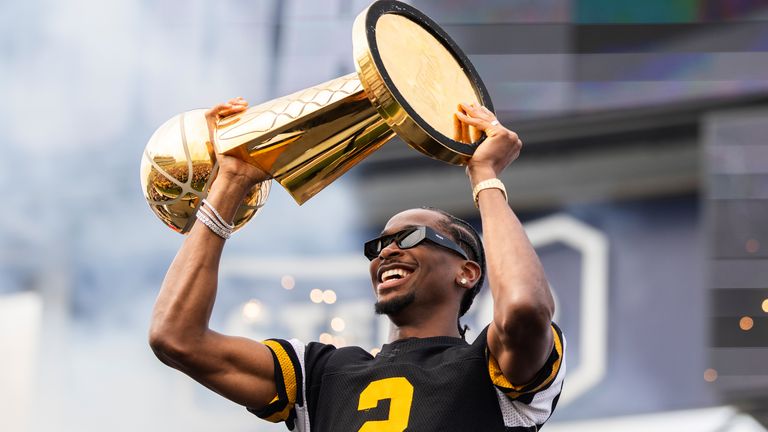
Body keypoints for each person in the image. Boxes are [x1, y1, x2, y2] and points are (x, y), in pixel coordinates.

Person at [149, 97, 566, 431]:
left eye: (410, 237)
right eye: (379, 245)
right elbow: (176, 337)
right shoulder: (318, 375)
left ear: (467, 271)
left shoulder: (492, 368)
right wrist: (232, 180)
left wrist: (485, 175)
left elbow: (524, 308)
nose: (386, 252)